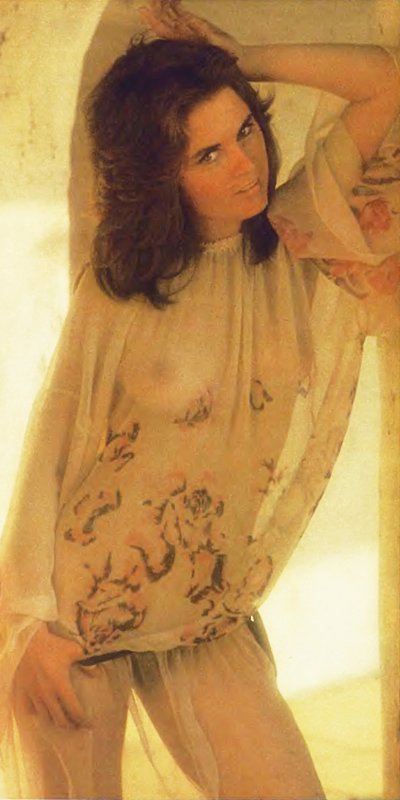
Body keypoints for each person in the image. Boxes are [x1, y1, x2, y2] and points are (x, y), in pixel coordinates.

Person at [0, 1, 399, 798]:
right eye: (207, 154)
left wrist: (236, 61)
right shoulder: (120, 290)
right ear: (164, 175)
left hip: (203, 617)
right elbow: (49, 455)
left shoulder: (295, 234)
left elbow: (387, 84)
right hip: (78, 621)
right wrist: (26, 628)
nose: (245, 166)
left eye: (245, 131)